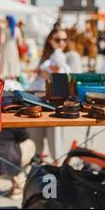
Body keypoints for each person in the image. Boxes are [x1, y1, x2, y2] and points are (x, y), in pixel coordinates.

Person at [29, 26, 71, 162]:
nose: (62, 43)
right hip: (39, 96)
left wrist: (45, 72)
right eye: (58, 39)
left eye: (65, 39)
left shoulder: (63, 56)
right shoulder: (48, 56)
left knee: (54, 129)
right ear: (50, 40)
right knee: (37, 131)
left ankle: (54, 161)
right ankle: (45, 159)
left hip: (54, 99)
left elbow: (59, 74)